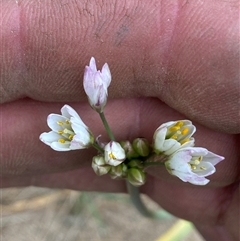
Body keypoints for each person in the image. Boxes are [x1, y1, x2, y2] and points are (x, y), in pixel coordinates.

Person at [1, 1, 239, 240]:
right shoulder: (114, 139)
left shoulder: (151, 155)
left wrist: (117, 156)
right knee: (99, 112)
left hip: (130, 155)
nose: (69, 134)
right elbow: (121, 159)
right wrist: (115, 156)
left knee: (101, 112)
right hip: (124, 154)